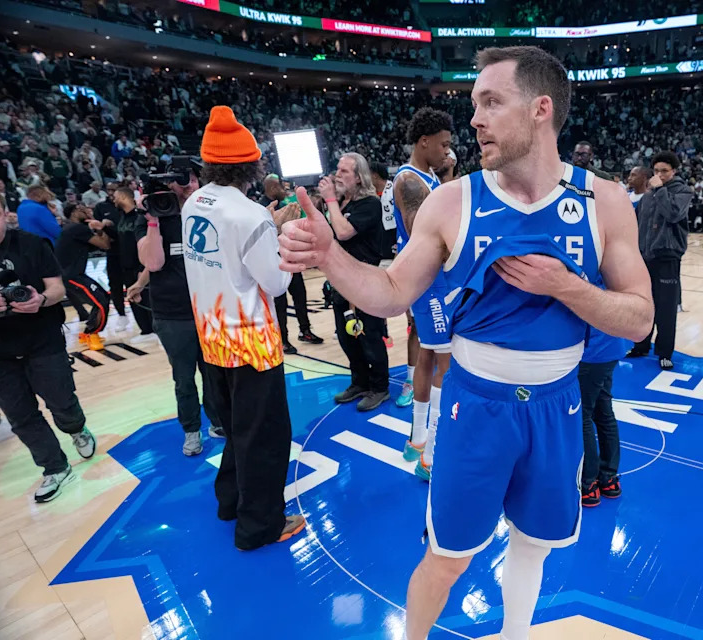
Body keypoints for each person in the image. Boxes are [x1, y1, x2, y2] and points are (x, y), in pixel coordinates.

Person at [277, 45, 653, 640]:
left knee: (535, 545)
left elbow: (639, 321)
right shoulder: (456, 199)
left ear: (540, 109)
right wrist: (330, 257)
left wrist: (565, 287)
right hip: (476, 404)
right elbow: (392, 291)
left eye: (490, 102)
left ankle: (515, 634)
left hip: (559, 403)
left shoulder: (603, 200)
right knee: (449, 556)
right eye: (473, 103)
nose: (473, 119)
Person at [182, 105, 305, 550]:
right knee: (266, 438)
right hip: (251, 342)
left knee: (235, 430)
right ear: (251, 163)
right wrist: (280, 238)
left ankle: (229, 500)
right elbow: (275, 282)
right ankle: (260, 526)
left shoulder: (195, 201)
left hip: (211, 336)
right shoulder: (250, 214)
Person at [0, 187, 96, 503]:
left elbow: (57, 288)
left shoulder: (31, 244)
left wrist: (41, 300)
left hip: (41, 340)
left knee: (61, 401)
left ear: (7, 215)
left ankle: (76, 429)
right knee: (20, 415)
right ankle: (55, 467)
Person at [136, 167, 225, 456]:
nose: (173, 192)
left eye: (182, 184)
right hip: (172, 314)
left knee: (213, 371)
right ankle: (191, 430)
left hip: (207, 308)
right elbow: (155, 263)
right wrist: (152, 221)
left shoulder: (200, 214)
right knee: (184, 377)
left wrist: (191, 202)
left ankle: (218, 420)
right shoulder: (149, 220)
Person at [386, 107, 453, 479]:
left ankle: (416, 439)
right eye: (442, 144)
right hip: (431, 282)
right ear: (423, 141)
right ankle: (432, 455)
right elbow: (425, 240)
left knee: (427, 357)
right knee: (447, 365)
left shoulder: (427, 177)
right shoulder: (410, 182)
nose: (447, 151)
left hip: (428, 281)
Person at [318, 152, 390, 412]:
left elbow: (344, 232)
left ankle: (380, 387)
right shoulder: (344, 204)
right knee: (347, 337)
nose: (337, 175)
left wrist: (330, 201)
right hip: (341, 281)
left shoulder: (370, 203)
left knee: (369, 336)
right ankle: (359, 382)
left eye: (344, 171)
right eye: (337, 169)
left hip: (364, 282)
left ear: (359, 178)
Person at [628, 150, 693, 370]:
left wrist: (660, 189)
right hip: (645, 256)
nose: (659, 174)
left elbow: (673, 213)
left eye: (664, 171)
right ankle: (641, 345)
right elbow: (639, 224)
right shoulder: (648, 194)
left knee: (665, 308)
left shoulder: (682, 191)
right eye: (656, 171)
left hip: (667, 256)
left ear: (674, 171)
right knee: (644, 305)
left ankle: (664, 352)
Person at [259, 175, 322, 353]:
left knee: (300, 296)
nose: (284, 188)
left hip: (291, 257)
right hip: (275, 262)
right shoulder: (262, 208)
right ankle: (283, 339)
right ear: (271, 188)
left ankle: (305, 330)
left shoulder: (287, 203)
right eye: (280, 186)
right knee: (280, 303)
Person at [579, 318, 628, 507]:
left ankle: (588, 482)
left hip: (592, 352)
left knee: (583, 415)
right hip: (609, 347)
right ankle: (608, 477)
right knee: (603, 411)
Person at [55, 203, 111, 351]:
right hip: (71, 275)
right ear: (74, 213)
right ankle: (92, 334)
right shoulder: (76, 228)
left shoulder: (72, 229)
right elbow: (105, 245)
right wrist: (100, 228)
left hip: (73, 274)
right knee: (101, 301)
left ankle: (87, 333)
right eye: (83, 209)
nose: (87, 211)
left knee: (103, 297)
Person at [113, 186, 154, 342]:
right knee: (133, 298)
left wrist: (142, 267)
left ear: (124, 197)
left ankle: (153, 330)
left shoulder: (140, 216)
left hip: (140, 266)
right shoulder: (121, 217)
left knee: (145, 298)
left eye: (116, 196)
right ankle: (145, 330)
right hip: (126, 266)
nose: (114, 200)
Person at [94, 183, 129, 331]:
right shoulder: (101, 208)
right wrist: (103, 229)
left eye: (113, 190)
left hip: (130, 250)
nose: (110, 193)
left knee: (134, 283)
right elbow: (97, 230)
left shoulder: (129, 207)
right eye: (108, 190)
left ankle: (146, 320)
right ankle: (121, 315)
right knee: (115, 285)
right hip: (113, 251)